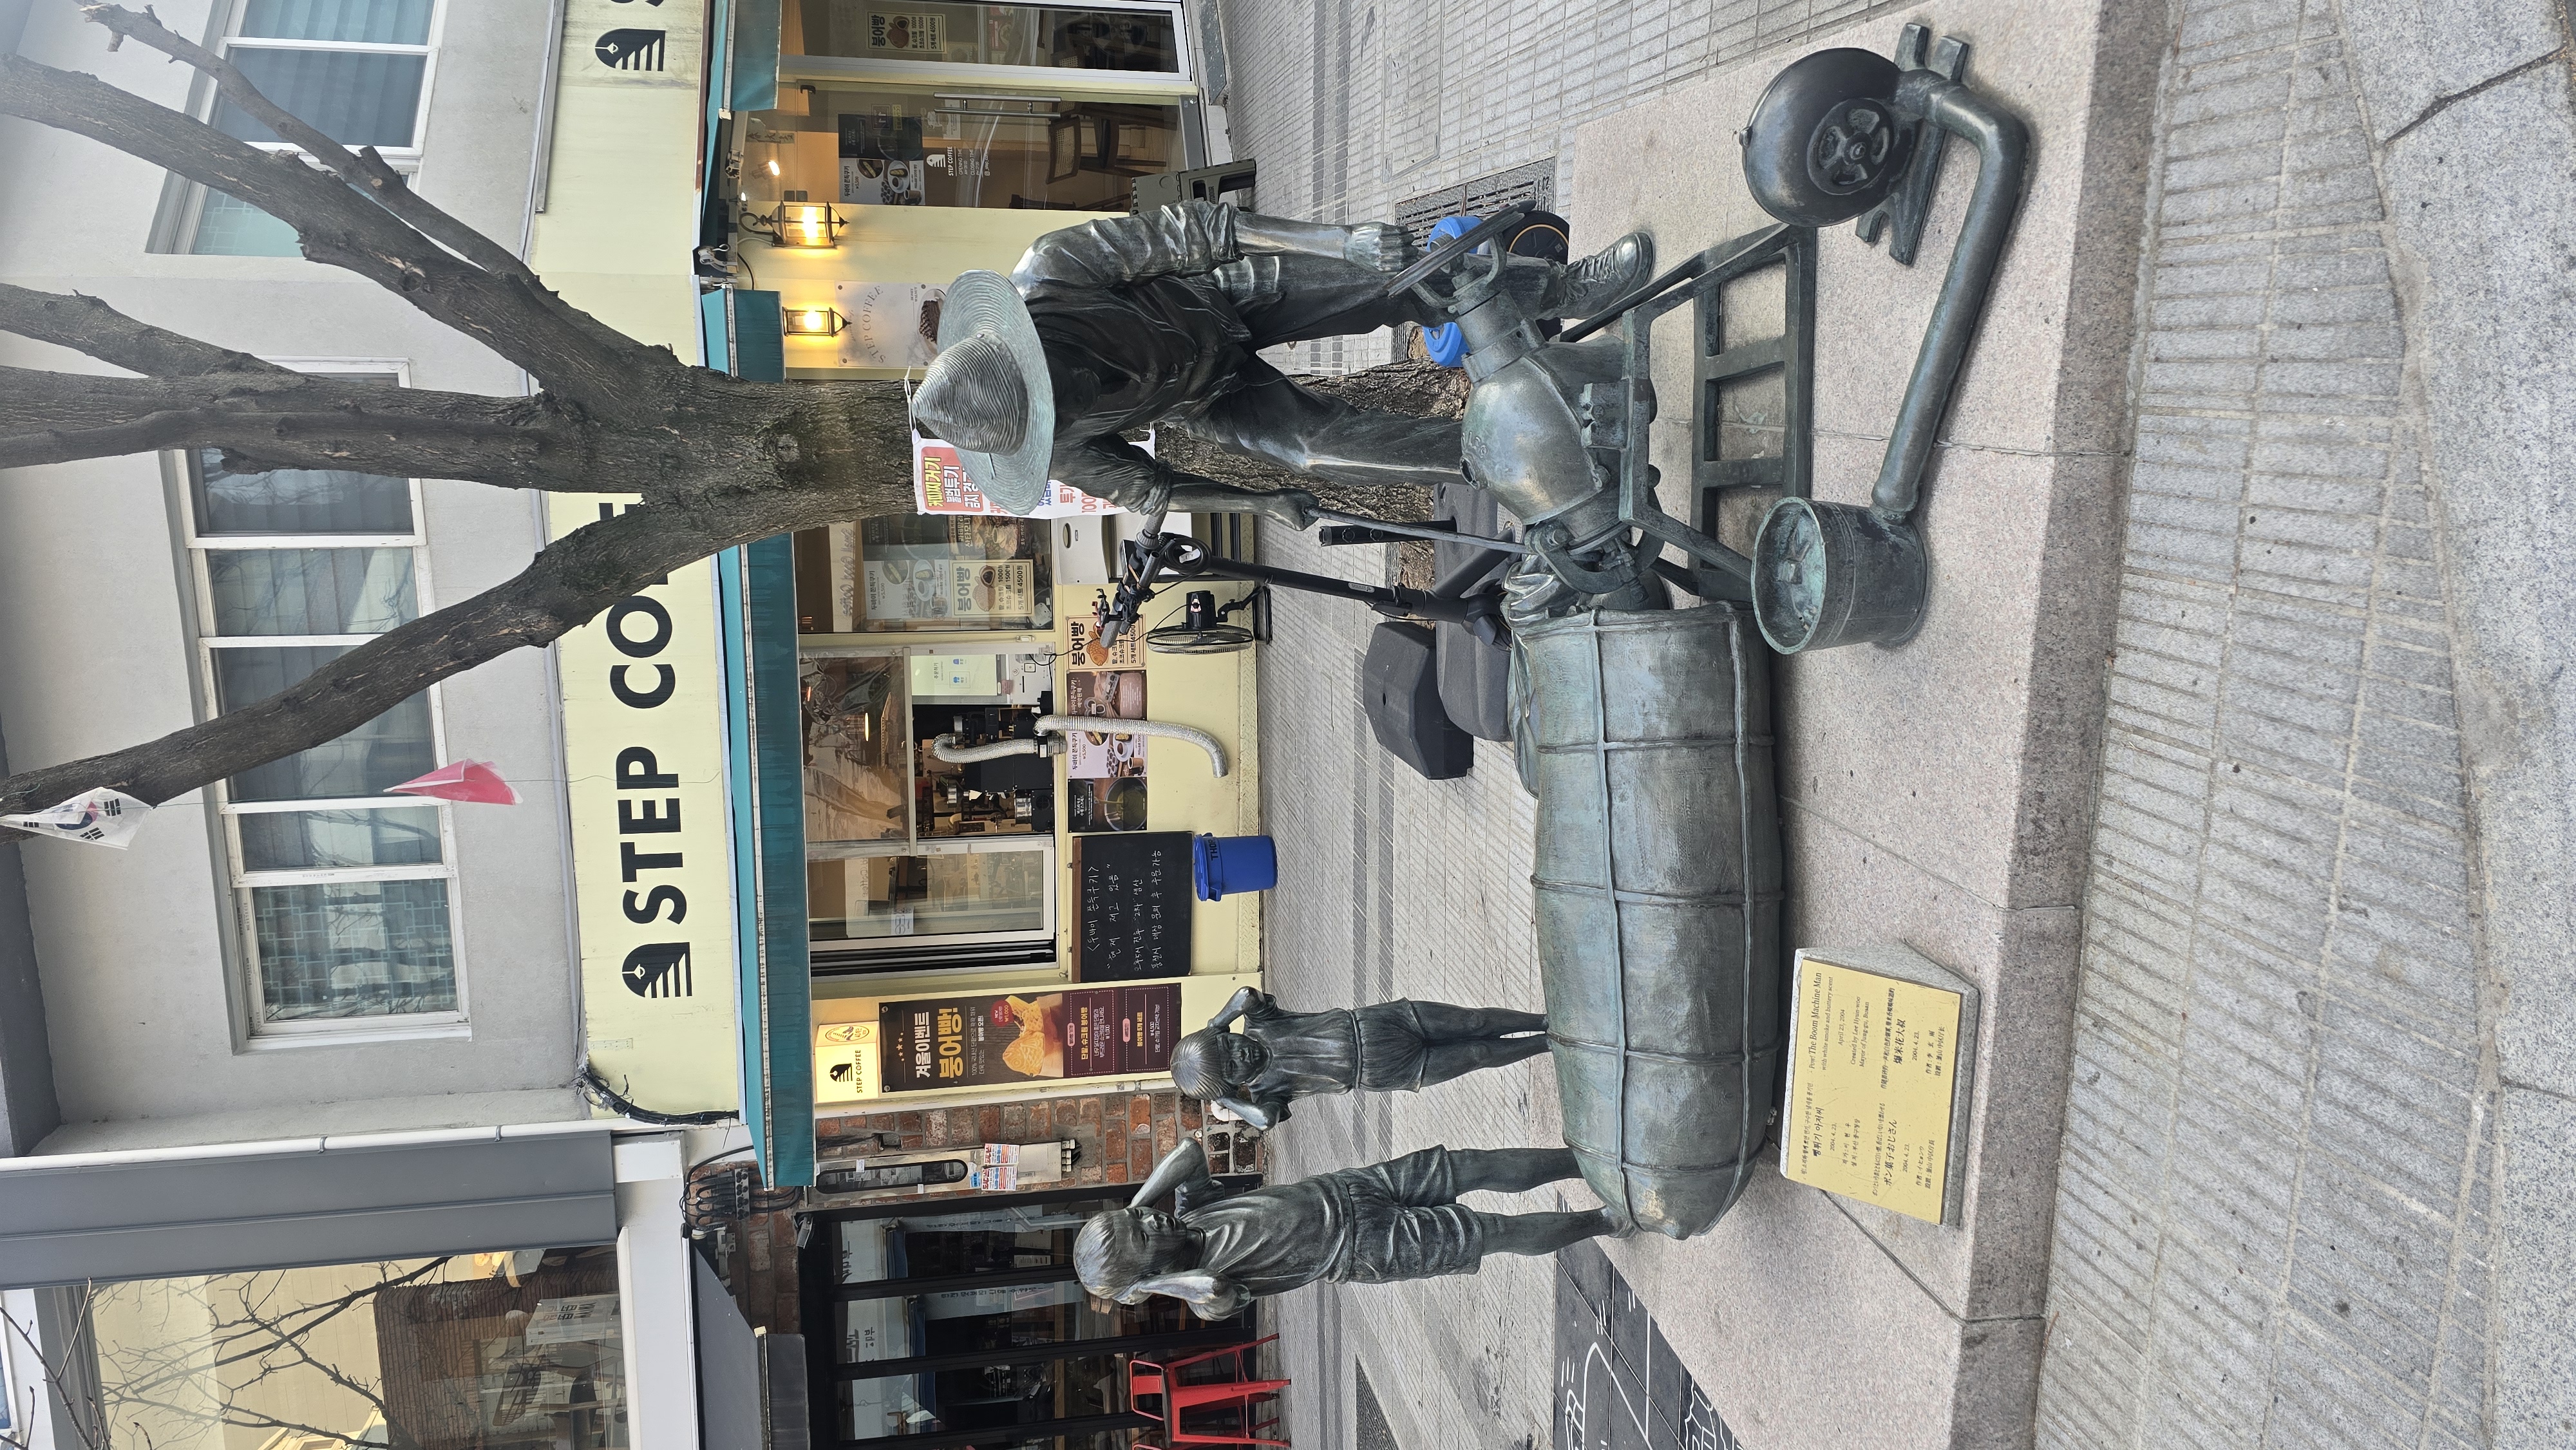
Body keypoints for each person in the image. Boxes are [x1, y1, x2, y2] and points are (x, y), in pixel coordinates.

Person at [905, 198, 1653, 523]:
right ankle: (1528, 456)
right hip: (1207, 397)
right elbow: (1151, 489)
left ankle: (1565, 286)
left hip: (1222, 296)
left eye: (1050, 384)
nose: (1072, 396)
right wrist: (1259, 502)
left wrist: (1339, 242)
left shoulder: (1053, 267)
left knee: (1395, 283)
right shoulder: (1052, 445)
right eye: (1055, 412)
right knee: (1317, 449)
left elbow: (1199, 231)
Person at [1074, 1139, 1618, 1319]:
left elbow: (1190, 1153)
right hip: (1363, 1248)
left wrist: (1131, 1206)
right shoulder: (1201, 1293)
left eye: (1140, 1215)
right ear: (1148, 1273)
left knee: (1469, 1165)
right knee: (1488, 1232)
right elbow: (1216, 1288)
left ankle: (1585, 1160)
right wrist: (1149, 1285)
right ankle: (1607, 1220)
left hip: (1351, 1188)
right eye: (1143, 1235)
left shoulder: (1192, 1212)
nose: (1152, 1219)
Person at [1167, 986, 1549, 1130]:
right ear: (1233, 1083)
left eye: (1228, 1045)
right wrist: (1229, 1100)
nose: (1240, 1053)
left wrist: (1216, 1024)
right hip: (1382, 1071)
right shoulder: (1267, 1091)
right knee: (1478, 1054)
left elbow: (1247, 996)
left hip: (1380, 1023)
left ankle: (1543, 1022)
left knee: (1473, 1021)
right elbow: (1266, 1120)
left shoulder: (1261, 1024)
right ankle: (1547, 1045)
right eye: (1232, 1067)